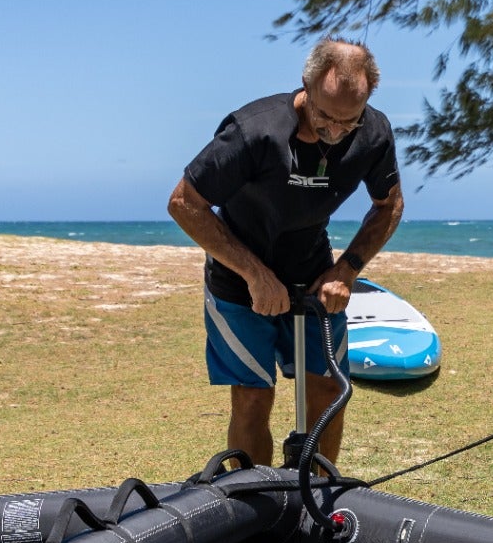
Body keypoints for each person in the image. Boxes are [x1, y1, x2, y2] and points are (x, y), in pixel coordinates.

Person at [168, 39, 404, 467]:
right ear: (306, 86)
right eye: (324, 117)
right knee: (255, 397)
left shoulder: (373, 132)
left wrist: (346, 270)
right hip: (238, 281)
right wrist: (255, 274)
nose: (334, 133)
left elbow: (390, 205)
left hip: (314, 276)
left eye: (348, 123)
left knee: (330, 391)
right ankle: (253, 506)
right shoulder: (253, 131)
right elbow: (184, 203)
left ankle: (315, 496)